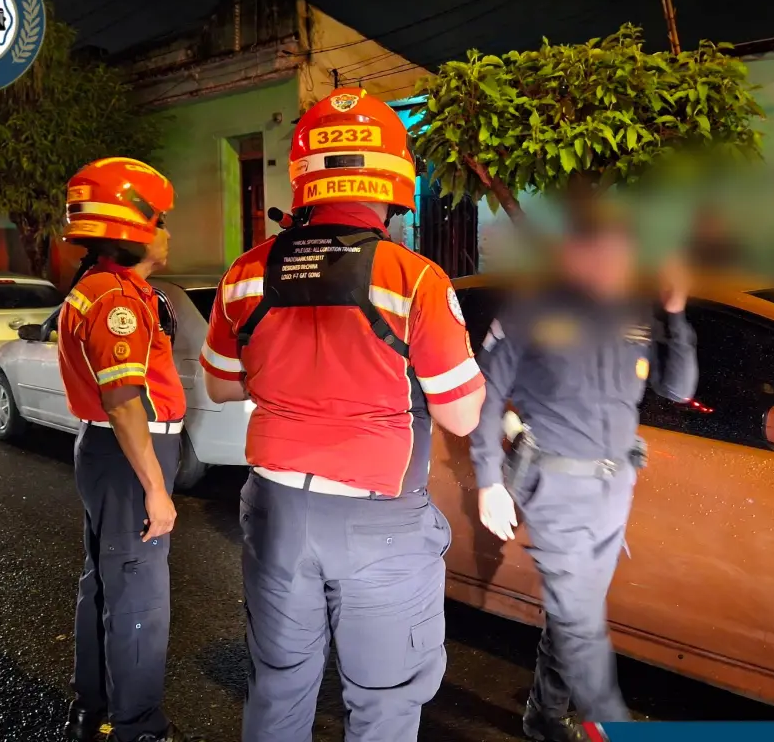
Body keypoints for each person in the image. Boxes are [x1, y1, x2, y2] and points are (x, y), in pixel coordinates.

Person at [200, 87, 487, 742]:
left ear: (303, 177)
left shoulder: (245, 273)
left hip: (275, 510)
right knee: (382, 701)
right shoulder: (415, 279)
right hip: (377, 522)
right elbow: (464, 416)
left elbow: (218, 387)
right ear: (393, 178)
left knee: (278, 683)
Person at [470, 203, 698, 742]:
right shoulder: (531, 310)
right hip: (557, 488)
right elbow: (486, 396)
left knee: (576, 615)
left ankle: (545, 717)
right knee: (581, 625)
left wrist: (677, 313)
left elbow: (679, 389)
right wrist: (487, 481)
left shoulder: (633, 314)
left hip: (615, 489)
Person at [56, 157, 204, 742]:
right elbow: (123, 402)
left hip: (105, 452)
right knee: (138, 591)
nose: (168, 231)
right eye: (161, 220)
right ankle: (139, 727)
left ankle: (95, 711)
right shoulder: (116, 301)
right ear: (133, 226)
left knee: (105, 584)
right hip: (128, 456)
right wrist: (155, 489)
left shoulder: (104, 290)